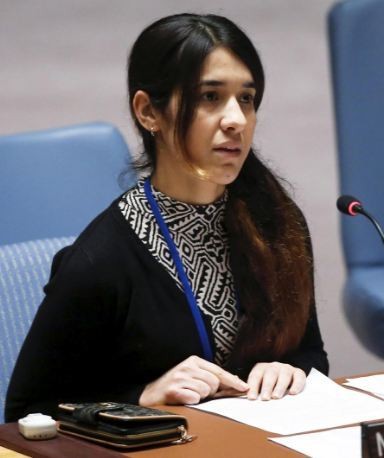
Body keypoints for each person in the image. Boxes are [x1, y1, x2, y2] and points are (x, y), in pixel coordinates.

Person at [5, 13, 328, 422]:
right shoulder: (101, 260)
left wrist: (293, 369)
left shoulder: (277, 224)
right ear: (148, 112)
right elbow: (25, 413)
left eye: (246, 99)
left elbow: (310, 351)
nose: (236, 119)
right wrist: (143, 396)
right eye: (210, 97)